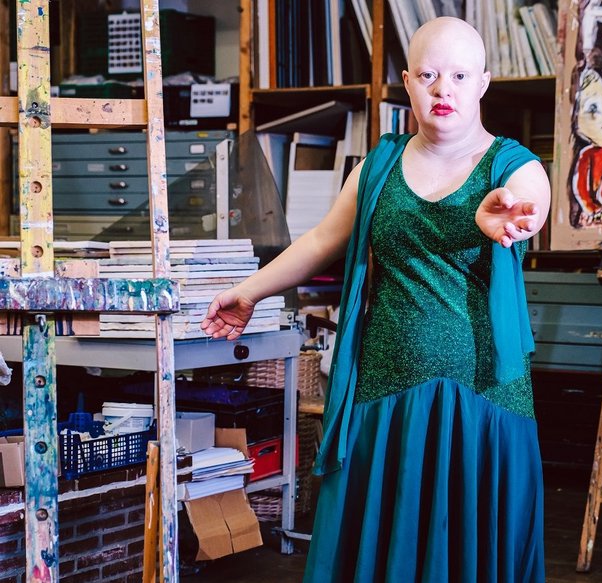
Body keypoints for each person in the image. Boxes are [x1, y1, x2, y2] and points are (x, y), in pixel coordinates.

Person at [201, 16, 550, 583]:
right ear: (407, 82)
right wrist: (247, 291)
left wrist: (515, 213)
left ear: (483, 83)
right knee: (385, 549)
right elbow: (321, 241)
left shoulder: (513, 165)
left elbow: (530, 202)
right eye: (429, 75)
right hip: (385, 391)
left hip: (481, 397)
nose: (443, 89)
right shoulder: (378, 167)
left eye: (460, 76)